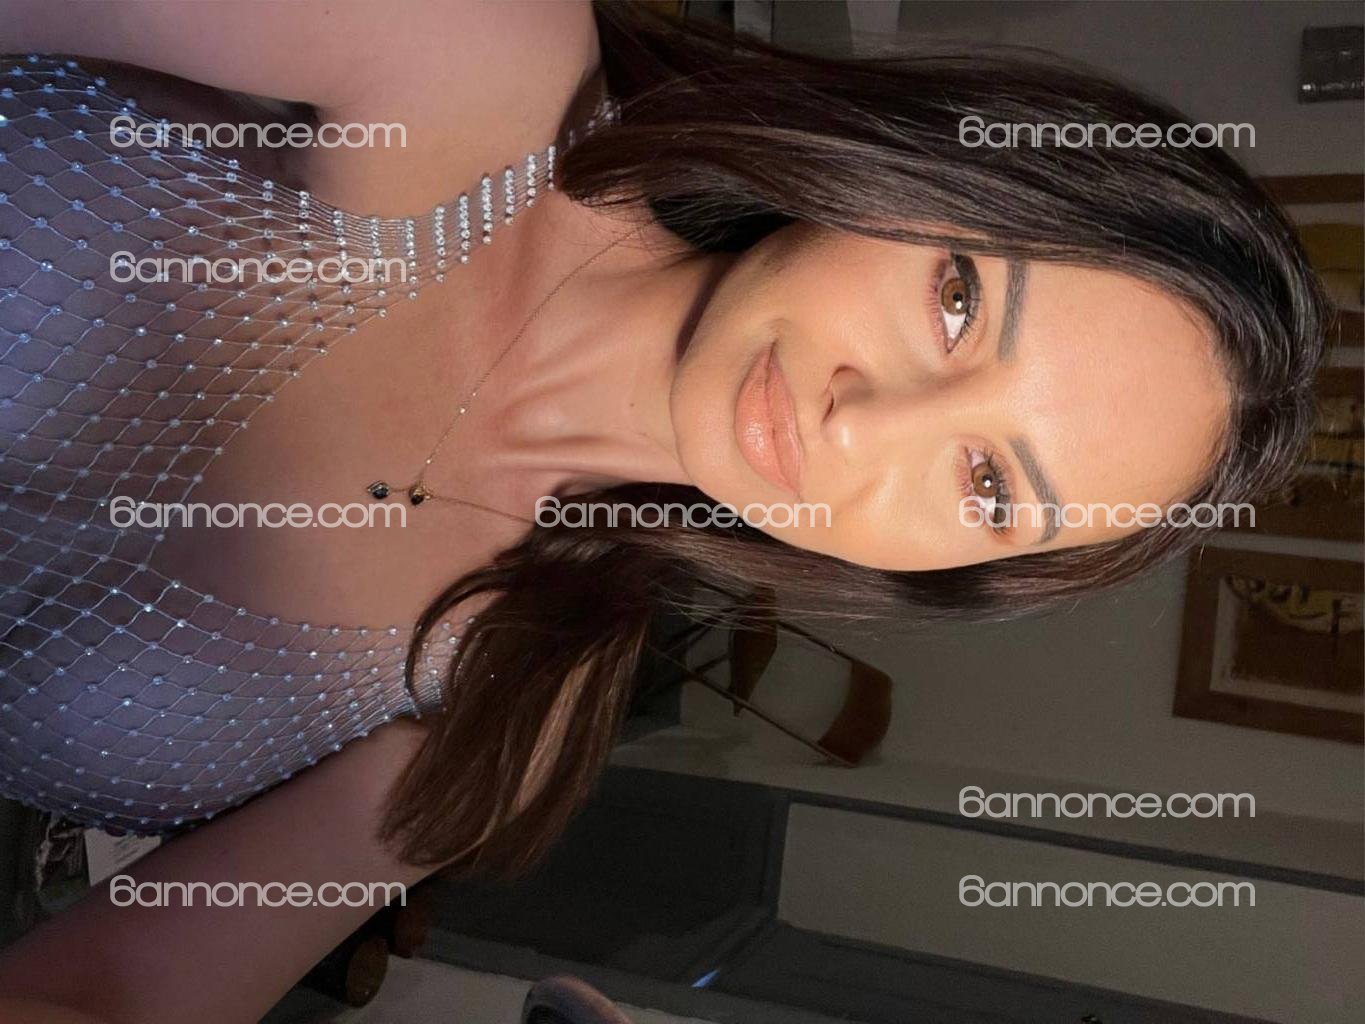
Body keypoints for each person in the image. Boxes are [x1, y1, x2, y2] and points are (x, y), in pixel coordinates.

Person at [0, 2, 1327, 1020]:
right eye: (958, 301)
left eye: (985, 485)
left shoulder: (510, 712)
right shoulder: (467, 51)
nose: (862, 424)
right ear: (918, 172)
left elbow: (114, 993)